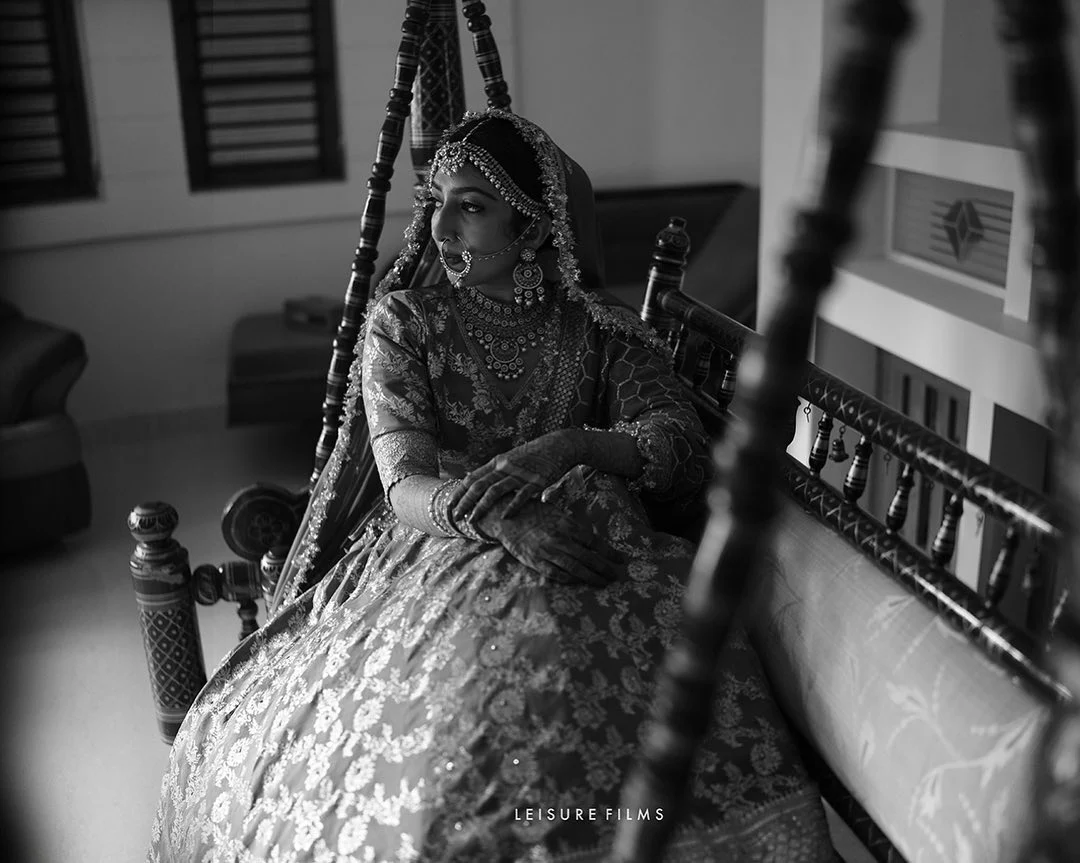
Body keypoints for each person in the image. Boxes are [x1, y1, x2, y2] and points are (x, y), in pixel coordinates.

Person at [149, 109, 837, 861]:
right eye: (436, 201)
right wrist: (498, 521)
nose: (441, 227)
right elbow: (404, 481)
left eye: (471, 206)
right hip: (436, 544)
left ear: (538, 228)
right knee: (471, 705)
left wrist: (570, 445)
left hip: (594, 551)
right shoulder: (405, 323)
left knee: (602, 673)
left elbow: (679, 450)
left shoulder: (599, 332)